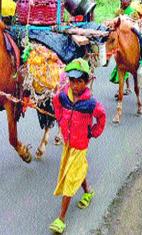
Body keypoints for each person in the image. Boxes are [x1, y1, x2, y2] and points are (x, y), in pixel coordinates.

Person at [49, 58, 106, 234]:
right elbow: (56, 103)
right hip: (68, 142)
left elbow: (102, 116)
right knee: (75, 170)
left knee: (70, 176)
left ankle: (61, 219)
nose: (75, 85)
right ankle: (88, 191)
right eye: (72, 81)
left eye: (79, 81)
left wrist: (94, 132)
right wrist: (60, 120)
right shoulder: (64, 96)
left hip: (80, 144)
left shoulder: (91, 103)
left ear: (86, 81)